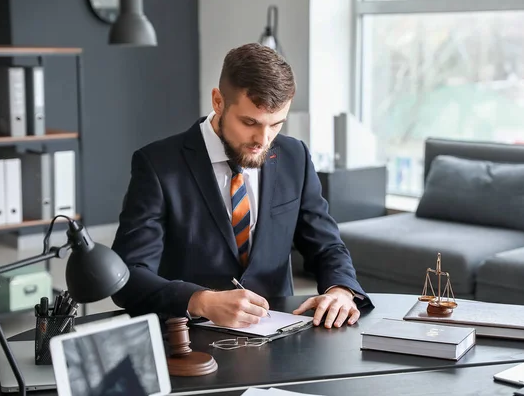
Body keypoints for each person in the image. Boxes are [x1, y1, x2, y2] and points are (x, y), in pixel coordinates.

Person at [111, 43, 373, 330]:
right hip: (190, 340)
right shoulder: (157, 165)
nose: (263, 139)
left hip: (280, 337)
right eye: (250, 122)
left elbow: (326, 245)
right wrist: (200, 301)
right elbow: (128, 276)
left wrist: (340, 290)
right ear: (218, 101)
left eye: (276, 124)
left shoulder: (295, 156)